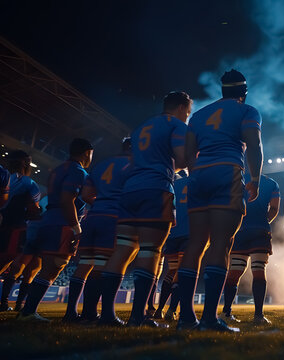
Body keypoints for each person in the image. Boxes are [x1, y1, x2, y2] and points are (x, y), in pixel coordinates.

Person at [178, 69, 263, 332]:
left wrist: (198, 175)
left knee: (195, 244)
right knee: (221, 244)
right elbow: (255, 145)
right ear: (244, 93)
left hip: (199, 176)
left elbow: (187, 155)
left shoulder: (200, 115)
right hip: (227, 171)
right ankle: (209, 319)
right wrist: (256, 179)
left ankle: (185, 319)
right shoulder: (248, 112)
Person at [99, 92, 190, 327]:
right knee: (150, 250)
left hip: (130, 191)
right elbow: (182, 159)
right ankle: (138, 316)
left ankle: (107, 315)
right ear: (181, 107)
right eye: (188, 111)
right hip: (156, 188)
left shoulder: (141, 127)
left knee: (122, 249)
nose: (188, 116)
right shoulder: (176, 124)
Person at [17, 138, 93, 321]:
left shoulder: (59, 169)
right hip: (62, 222)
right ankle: (27, 312)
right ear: (87, 153)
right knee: (54, 266)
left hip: (48, 219)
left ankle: (26, 309)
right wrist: (76, 227)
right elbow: (68, 199)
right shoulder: (77, 171)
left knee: (42, 266)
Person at [62, 138, 132, 323]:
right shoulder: (135, 165)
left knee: (85, 265)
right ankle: (91, 313)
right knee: (102, 266)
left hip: (93, 217)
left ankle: (71, 313)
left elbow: (85, 195)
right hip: (112, 218)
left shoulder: (101, 165)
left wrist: (102, 202)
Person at [222, 173, 279, 325]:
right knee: (259, 272)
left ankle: (226, 313)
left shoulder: (235, 178)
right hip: (260, 231)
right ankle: (258, 316)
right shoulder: (271, 183)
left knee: (233, 273)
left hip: (239, 231)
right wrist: (263, 219)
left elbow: (227, 203)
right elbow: (274, 208)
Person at [0, 150, 41, 311]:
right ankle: (6, 303)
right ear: (25, 163)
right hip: (14, 227)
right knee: (7, 260)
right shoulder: (28, 183)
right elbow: (33, 209)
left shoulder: (4, 175)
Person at [153, 172, 189, 322]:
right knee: (182, 272)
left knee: (172, 270)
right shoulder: (197, 181)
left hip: (172, 233)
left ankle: (159, 309)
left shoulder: (173, 185)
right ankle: (172, 309)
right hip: (189, 232)